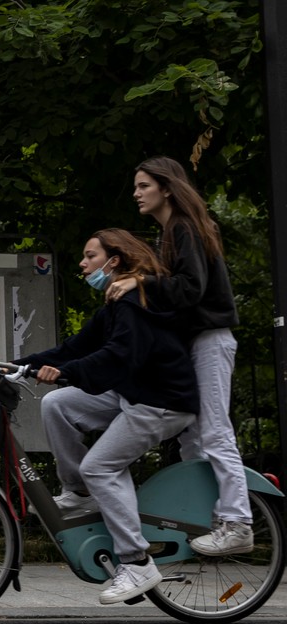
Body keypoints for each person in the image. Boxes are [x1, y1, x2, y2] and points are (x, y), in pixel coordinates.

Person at [16, 228, 198, 605]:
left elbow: (118, 356)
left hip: (161, 402)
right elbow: (73, 348)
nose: (82, 264)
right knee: (57, 404)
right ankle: (80, 494)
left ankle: (137, 561)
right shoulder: (115, 303)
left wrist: (68, 373)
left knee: (100, 466)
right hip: (132, 393)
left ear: (114, 261)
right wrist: (13, 368)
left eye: (90, 256)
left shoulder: (134, 301)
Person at [107, 156, 252, 556]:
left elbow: (190, 289)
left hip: (209, 339)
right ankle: (205, 517)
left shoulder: (184, 228)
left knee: (214, 430)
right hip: (194, 341)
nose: (136, 193)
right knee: (192, 435)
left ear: (166, 188)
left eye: (143, 186)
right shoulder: (170, 233)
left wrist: (140, 281)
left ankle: (238, 521)